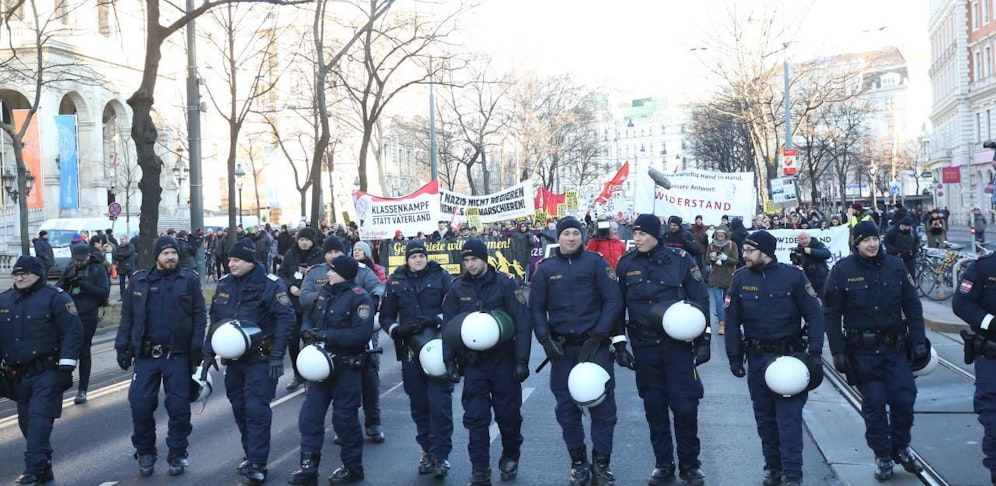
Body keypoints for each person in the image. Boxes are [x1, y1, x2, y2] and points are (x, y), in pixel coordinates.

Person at [823, 221, 926, 481]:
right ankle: (882, 456)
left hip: (895, 349)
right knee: (875, 405)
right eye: (865, 240)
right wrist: (838, 351)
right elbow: (832, 314)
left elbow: (912, 305)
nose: (872, 244)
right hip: (863, 354)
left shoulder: (895, 266)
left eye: (875, 239)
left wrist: (919, 340)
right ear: (856, 243)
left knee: (905, 400)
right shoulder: (842, 270)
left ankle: (900, 448)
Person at [615, 214, 710, 486]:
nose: (637, 238)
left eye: (643, 233)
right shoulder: (626, 264)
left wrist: (704, 340)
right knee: (654, 407)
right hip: (644, 348)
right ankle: (663, 464)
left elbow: (700, 298)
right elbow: (616, 306)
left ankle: (691, 465)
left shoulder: (680, 261)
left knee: (685, 407)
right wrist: (619, 343)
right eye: (634, 233)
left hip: (677, 348)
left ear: (656, 234)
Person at [724, 230, 824, 486]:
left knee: (788, 418)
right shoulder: (740, 279)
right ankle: (772, 466)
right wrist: (734, 357)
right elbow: (732, 322)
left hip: (789, 359)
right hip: (757, 358)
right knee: (765, 417)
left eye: (749, 251)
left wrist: (814, 354)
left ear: (765, 252)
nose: (744, 255)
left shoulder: (793, 277)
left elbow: (814, 315)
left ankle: (792, 472)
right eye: (744, 250)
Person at [530, 217, 625, 485]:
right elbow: (536, 308)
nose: (571, 238)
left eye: (575, 233)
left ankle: (602, 465)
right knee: (566, 410)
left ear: (582, 236)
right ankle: (579, 463)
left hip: (594, 348)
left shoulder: (595, 263)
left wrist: (600, 335)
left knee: (603, 408)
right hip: (562, 351)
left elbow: (613, 299)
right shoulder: (545, 269)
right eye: (566, 234)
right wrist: (545, 339)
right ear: (558, 237)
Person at [202, 238, 295, 485]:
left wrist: (277, 354)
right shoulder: (225, 284)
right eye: (230, 259)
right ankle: (250, 452)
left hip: (261, 359)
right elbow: (217, 321)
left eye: (236, 260)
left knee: (256, 410)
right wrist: (208, 351)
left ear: (250, 261)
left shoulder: (271, 285)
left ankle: (258, 463)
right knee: (240, 408)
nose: (230, 263)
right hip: (234, 361)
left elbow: (286, 319)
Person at [441, 239, 531, 486]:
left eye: (474, 259)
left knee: (508, 415)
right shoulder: (457, 289)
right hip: (474, 365)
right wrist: (449, 361)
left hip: (504, 362)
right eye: (466, 260)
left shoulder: (505, 284)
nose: (470, 264)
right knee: (476, 419)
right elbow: (448, 327)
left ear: (484, 258)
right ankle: (480, 470)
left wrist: (522, 360)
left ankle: (511, 454)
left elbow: (523, 322)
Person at [115, 235, 206, 477]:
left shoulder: (189, 280)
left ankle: (177, 454)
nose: (171, 257)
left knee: (178, 408)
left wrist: (198, 347)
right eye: (166, 253)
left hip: (177, 355)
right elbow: (127, 318)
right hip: (146, 355)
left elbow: (199, 316)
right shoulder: (139, 282)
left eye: (174, 253)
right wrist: (121, 347)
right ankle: (145, 452)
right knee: (140, 404)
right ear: (157, 256)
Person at [288, 255, 373, 485]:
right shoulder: (325, 292)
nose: (328, 274)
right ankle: (308, 468)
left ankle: (352, 467)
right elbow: (308, 316)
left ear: (343, 273)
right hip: (320, 368)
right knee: (310, 417)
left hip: (346, 368)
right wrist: (307, 331)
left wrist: (327, 335)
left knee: (344, 421)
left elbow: (360, 334)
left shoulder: (360, 299)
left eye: (332, 270)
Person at [0, 256, 83, 485]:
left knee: (39, 421)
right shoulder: (5, 300)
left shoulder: (55, 298)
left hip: (47, 371)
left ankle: (33, 471)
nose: (20, 277)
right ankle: (44, 466)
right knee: (26, 422)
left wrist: (66, 367)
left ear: (38, 274)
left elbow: (73, 333)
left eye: (25, 273)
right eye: (16, 273)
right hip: (18, 375)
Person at [378, 240, 455, 478]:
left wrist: (436, 320)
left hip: (438, 347)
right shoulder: (395, 281)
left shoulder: (442, 276)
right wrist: (396, 330)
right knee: (419, 404)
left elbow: (453, 308)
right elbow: (386, 316)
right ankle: (427, 451)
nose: (418, 259)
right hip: (411, 350)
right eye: (414, 256)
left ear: (426, 256)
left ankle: (441, 456)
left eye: (421, 255)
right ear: (407, 259)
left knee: (440, 404)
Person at [300, 235, 386, 442]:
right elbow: (305, 298)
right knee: (331, 388)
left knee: (369, 380)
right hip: (325, 337)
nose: (333, 256)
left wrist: (369, 299)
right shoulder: (316, 272)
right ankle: (344, 426)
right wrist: (329, 294)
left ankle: (373, 423)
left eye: (337, 252)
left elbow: (379, 287)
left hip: (358, 335)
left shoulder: (359, 270)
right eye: (329, 252)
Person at [953, 246, 996, 485]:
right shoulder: (983, 268)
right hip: (992, 355)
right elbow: (961, 303)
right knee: (993, 417)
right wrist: (991, 323)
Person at [56, 245, 110, 405]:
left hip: (87, 316)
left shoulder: (97, 270)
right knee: (63, 351)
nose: (78, 263)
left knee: (84, 351)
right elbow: (57, 289)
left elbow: (103, 292)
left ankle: (82, 390)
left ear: (88, 256)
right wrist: (66, 282)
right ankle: (63, 384)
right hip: (68, 316)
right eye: (76, 260)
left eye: (81, 260)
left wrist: (84, 284)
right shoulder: (70, 268)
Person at [277, 227, 325, 392]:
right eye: (301, 240)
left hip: (313, 305)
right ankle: (298, 374)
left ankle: (311, 374)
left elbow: (327, 275)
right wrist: (290, 287)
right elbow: (282, 274)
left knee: (310, 340)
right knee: (293, 340)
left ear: (313, 241)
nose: (304, 243)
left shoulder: (320, 254)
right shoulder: (291, 254)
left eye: (307, 240)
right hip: (293, 304)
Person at [706, 225, 738, 335]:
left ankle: (728, 320)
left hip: (728, 277)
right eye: (718, 236)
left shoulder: (731, 245)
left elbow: (735, 260)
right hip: (715, 277)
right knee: (718, 301)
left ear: (726, 236)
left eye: (722, 236)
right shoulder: (711, 245)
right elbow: (706, 261)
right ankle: (722, 323)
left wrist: (726, 258)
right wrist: (712, 258)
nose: (720, 238)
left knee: (726, 302)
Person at [791, 232, 831, 298]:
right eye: (801, 239)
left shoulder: (818, 245)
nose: (804, 241)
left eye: (806, 238)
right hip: (808, 281)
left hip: (822, 280)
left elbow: (827, 254)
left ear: (809, 238)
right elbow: (796, 265)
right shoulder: (798, 250)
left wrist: (811, 251)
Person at [113, 235, 137, 300]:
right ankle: (122, 296)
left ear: (126, 239)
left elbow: (128, 253)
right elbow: (115, 255)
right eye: (120, 239)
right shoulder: (118, 247)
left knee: (132, 281)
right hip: (121, 267)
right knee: (121, 283)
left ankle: (133, 295)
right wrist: (123, 256)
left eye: (123, 239)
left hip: (129, 267)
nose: (121, 240)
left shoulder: (130, 246)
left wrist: (120, 255)